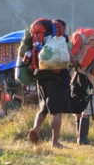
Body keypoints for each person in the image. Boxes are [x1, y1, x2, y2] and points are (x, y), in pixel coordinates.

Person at [27, 18, 75, 148]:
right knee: (57, 111)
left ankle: (35, 129)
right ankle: (55, 142)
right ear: (61, 28)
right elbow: (70, 57)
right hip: (57, 78)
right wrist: (75, 63)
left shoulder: (41, 40)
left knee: (43, 109)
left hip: (41, 75)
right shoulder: (61, 39)